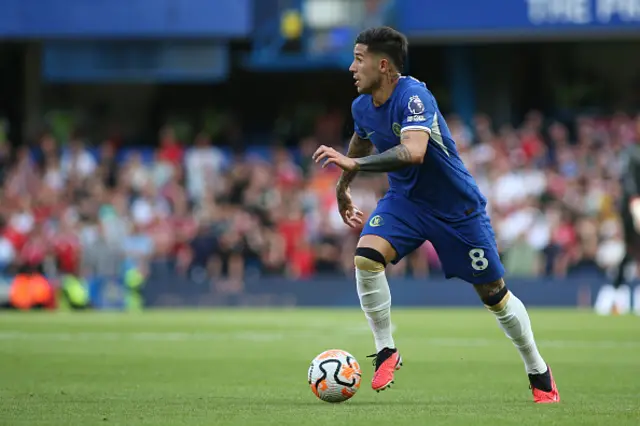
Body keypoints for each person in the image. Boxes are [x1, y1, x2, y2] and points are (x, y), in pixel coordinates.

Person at [312, 26, 559, 403]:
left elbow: (413, 151)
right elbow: (360, 140)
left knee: (494, 295)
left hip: (456, 209)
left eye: (358, 59)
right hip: (406, 201)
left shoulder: (414, 96)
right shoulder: (362, 105)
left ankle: (538, 371)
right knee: (366, 257)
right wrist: (343, 186)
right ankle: (386, 350)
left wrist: (354, 162)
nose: (351, 67)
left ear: (383, 65)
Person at [595, 140, 640, 315]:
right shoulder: (632, 152)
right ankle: (615, 294)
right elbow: (629, 181)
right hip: (634, 205)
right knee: (631, 248)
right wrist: (634, 202)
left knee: (631, 251)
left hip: (632, 204)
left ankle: (615, 292)